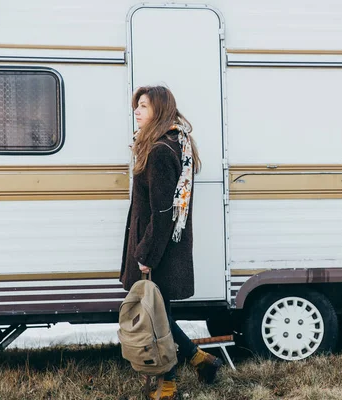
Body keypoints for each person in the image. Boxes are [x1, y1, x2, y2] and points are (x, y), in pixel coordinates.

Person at [119, 85, 222, 400]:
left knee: (156, 322)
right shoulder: (170, 143)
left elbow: (162, 213)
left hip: (158, 249)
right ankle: (200, 360)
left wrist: (146, 254)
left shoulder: (161, 150)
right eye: (137, 106)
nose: (137, 111)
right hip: (164, 247)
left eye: (144, 106)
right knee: (160, 317)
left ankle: (169, 387)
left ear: (159, 111)